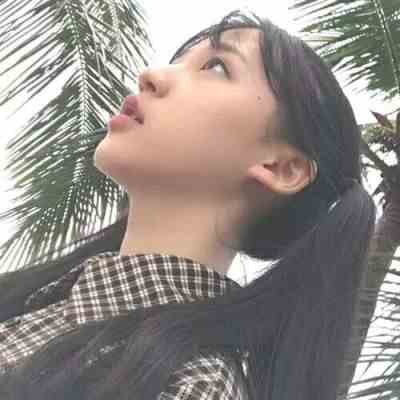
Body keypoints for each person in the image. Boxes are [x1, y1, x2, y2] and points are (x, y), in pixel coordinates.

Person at [0, 8, 376, 400]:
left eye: (217, 67)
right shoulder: (41, 303)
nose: (152, 75)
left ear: (280, 168)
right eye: (178, 61)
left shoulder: (192, 385)